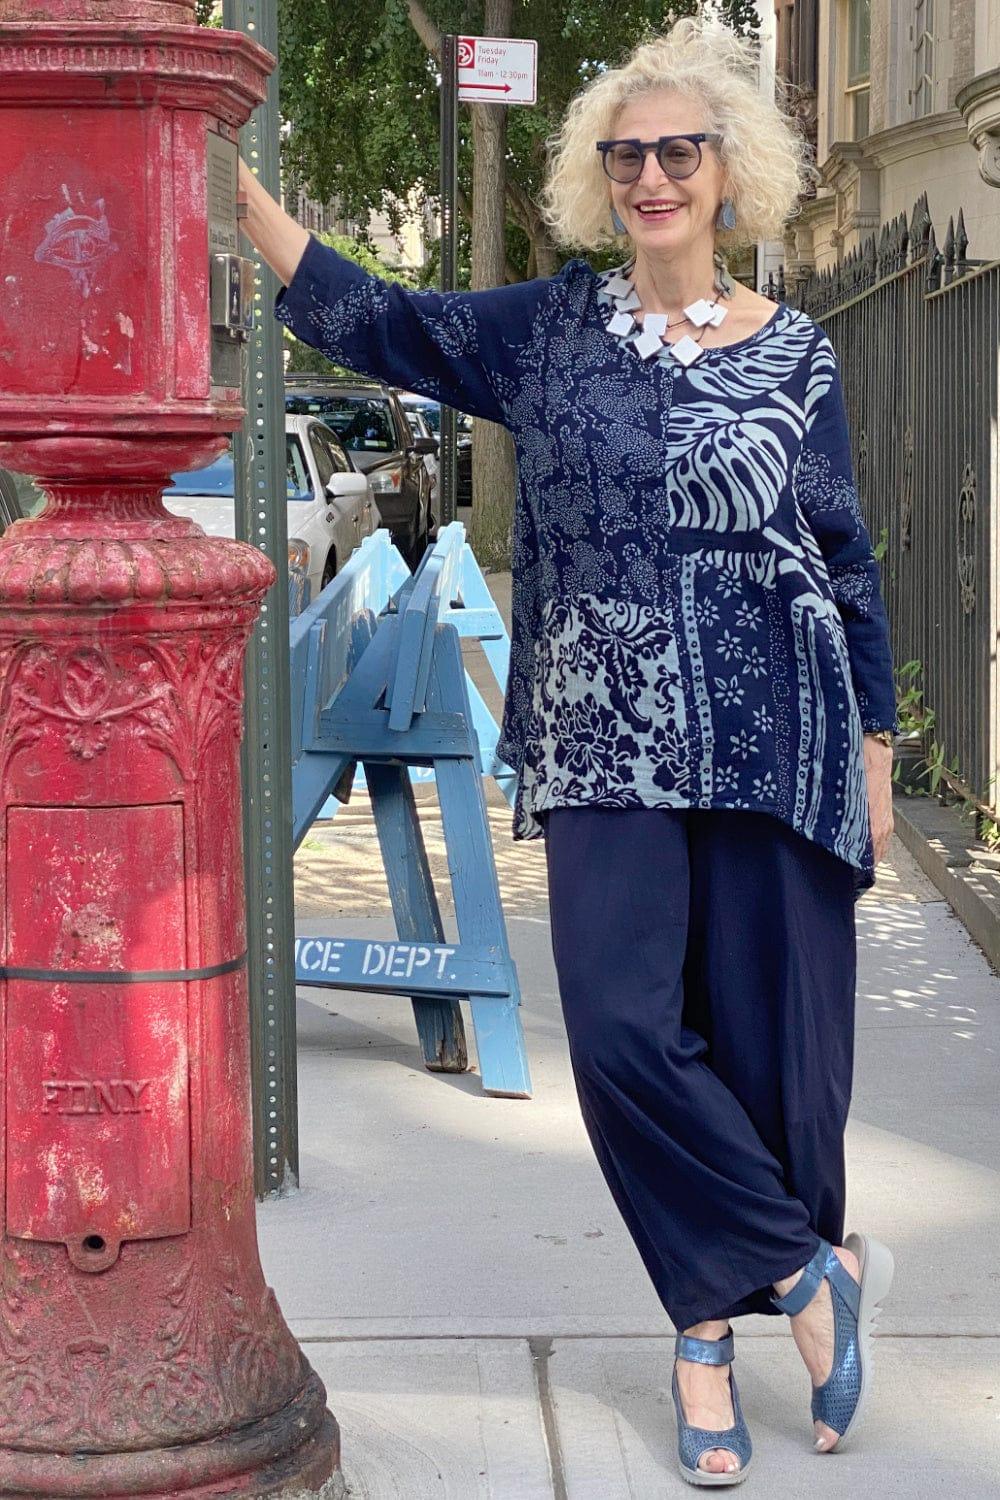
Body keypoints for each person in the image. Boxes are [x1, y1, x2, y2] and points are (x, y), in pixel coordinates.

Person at [239, 16, 897, 1487]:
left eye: (679, 150)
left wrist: (875, 741)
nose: (653, 174)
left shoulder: (798, 352)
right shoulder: (550, 334)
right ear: (604, 182)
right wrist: (238, 191)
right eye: (627, 155)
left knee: (777, 1052)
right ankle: (808, 1275)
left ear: (732, 171)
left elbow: (843, 555)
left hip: (778, 738)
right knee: (616, 1032)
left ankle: (705, 1340)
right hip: (606, 739)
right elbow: (376, 318)